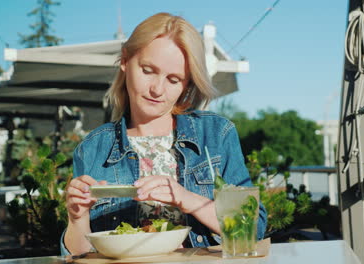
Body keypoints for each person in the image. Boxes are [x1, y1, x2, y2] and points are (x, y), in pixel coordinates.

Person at [61, 12, 267, 255]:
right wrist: (77, 217)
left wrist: (186, 199)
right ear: (125, 61)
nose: (157, 89)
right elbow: (80, 256)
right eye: (148, 70)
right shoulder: (93, 147)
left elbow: (252, 228)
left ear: (187, 85)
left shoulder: (216, 134)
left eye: (173, 79)